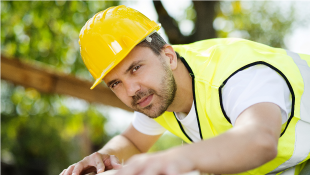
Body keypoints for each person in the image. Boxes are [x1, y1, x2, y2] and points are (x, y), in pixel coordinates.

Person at [60, 5, 310, 175]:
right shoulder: (158, 94)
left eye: (135, 68)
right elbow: (131, 142)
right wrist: (101, 157)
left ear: (168, 56)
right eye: (115, 83)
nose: (131, 90)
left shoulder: (235, 74)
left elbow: (259, 139)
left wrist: (172, 160)